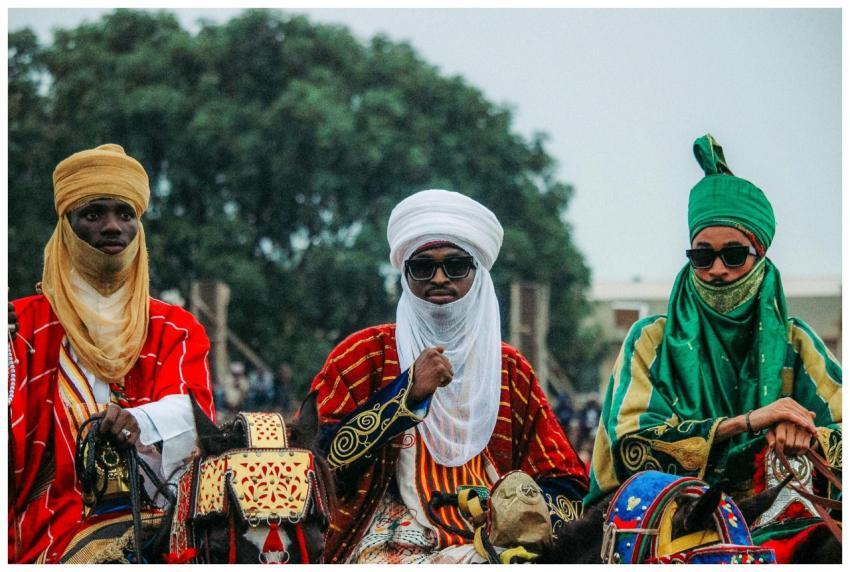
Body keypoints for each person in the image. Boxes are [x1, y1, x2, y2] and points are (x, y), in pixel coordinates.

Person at [586, 135, 841, 559]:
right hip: (666, 518)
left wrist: (806, 435)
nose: (717, 270)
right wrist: (750, 421)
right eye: (702, 256)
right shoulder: (649, 339)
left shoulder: (798, 342)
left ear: (761, 258)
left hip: (775, 516)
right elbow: (631, 447)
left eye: (734, 255)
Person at [310, 189, 588, 564]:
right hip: (384, 542)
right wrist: (405, 394)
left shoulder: (510, 369)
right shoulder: (361, 356)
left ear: (478, 273)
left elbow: (568, 485)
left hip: (496, 540)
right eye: (423, 267)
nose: (440, 278)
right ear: (405, 275)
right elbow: (320, 466)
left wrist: (521, 508)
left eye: (456, 266)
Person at [8, 144, 215, 563]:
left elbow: (196, 416)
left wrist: (140, 421)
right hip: (50, 527)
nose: (111, 227)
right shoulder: (22, 327)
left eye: (125, 214)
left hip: (162, 518)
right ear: (66, 225)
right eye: (92, 214)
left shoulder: (174, 326)